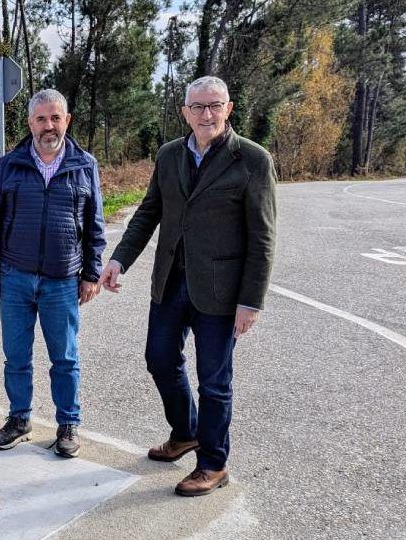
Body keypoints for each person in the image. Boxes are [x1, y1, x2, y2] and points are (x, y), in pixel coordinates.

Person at [99, 76, 277, 496]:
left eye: (214, 105)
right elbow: (148, 212)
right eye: (197, 106)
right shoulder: (169, 155)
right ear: (184, 112)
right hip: (170, 283)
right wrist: (119, 258)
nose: (206, 114)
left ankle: (213, 464)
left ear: (228, 109)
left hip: (221, 291)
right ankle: (186, 432)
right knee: (160, 359)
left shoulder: (252, 159)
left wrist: (251, 301)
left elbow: (264, 236)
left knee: (214, 381)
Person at [0, 89, 106, 458]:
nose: (48, 126)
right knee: (16, 357)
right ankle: (19, 419)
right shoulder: (10, 164)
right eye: (40, 119)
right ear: (30, 123)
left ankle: (68, 424)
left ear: (66, 120)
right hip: (15, 277)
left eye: (55, 118)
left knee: (64, 359)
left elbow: (94, 225)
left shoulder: (85, 165)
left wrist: (92, 273)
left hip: (62, 281)